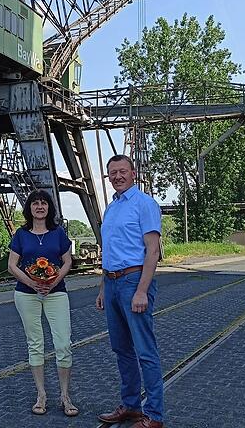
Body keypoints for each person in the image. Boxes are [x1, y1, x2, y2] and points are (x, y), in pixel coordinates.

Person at [96, 155, 164, 428]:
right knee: (121, 349)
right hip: (112, 283)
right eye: (112, 172)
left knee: (145, 350)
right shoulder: (110, 208)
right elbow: (109, 252)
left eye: (122, 171)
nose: (117, 176)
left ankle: (155, 415)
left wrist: (141, 291)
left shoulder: (144, 204)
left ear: (133, 173)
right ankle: (132, 406)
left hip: (134, 281)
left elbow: (153, 251)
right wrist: (103, 288)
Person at [7, 189, 79, 418]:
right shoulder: (21, 234)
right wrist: (33, 283)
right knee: (35, 343)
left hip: (56, 293)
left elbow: (67, 261)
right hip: (26, 295)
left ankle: (65, 396)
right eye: (35, 203)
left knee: (63, 344)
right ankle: (41, 395)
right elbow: (12, 265)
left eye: (44, 203)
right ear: (29, 208)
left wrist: (52, 281)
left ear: (49, 208)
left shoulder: (58, 233)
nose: (39, 207)